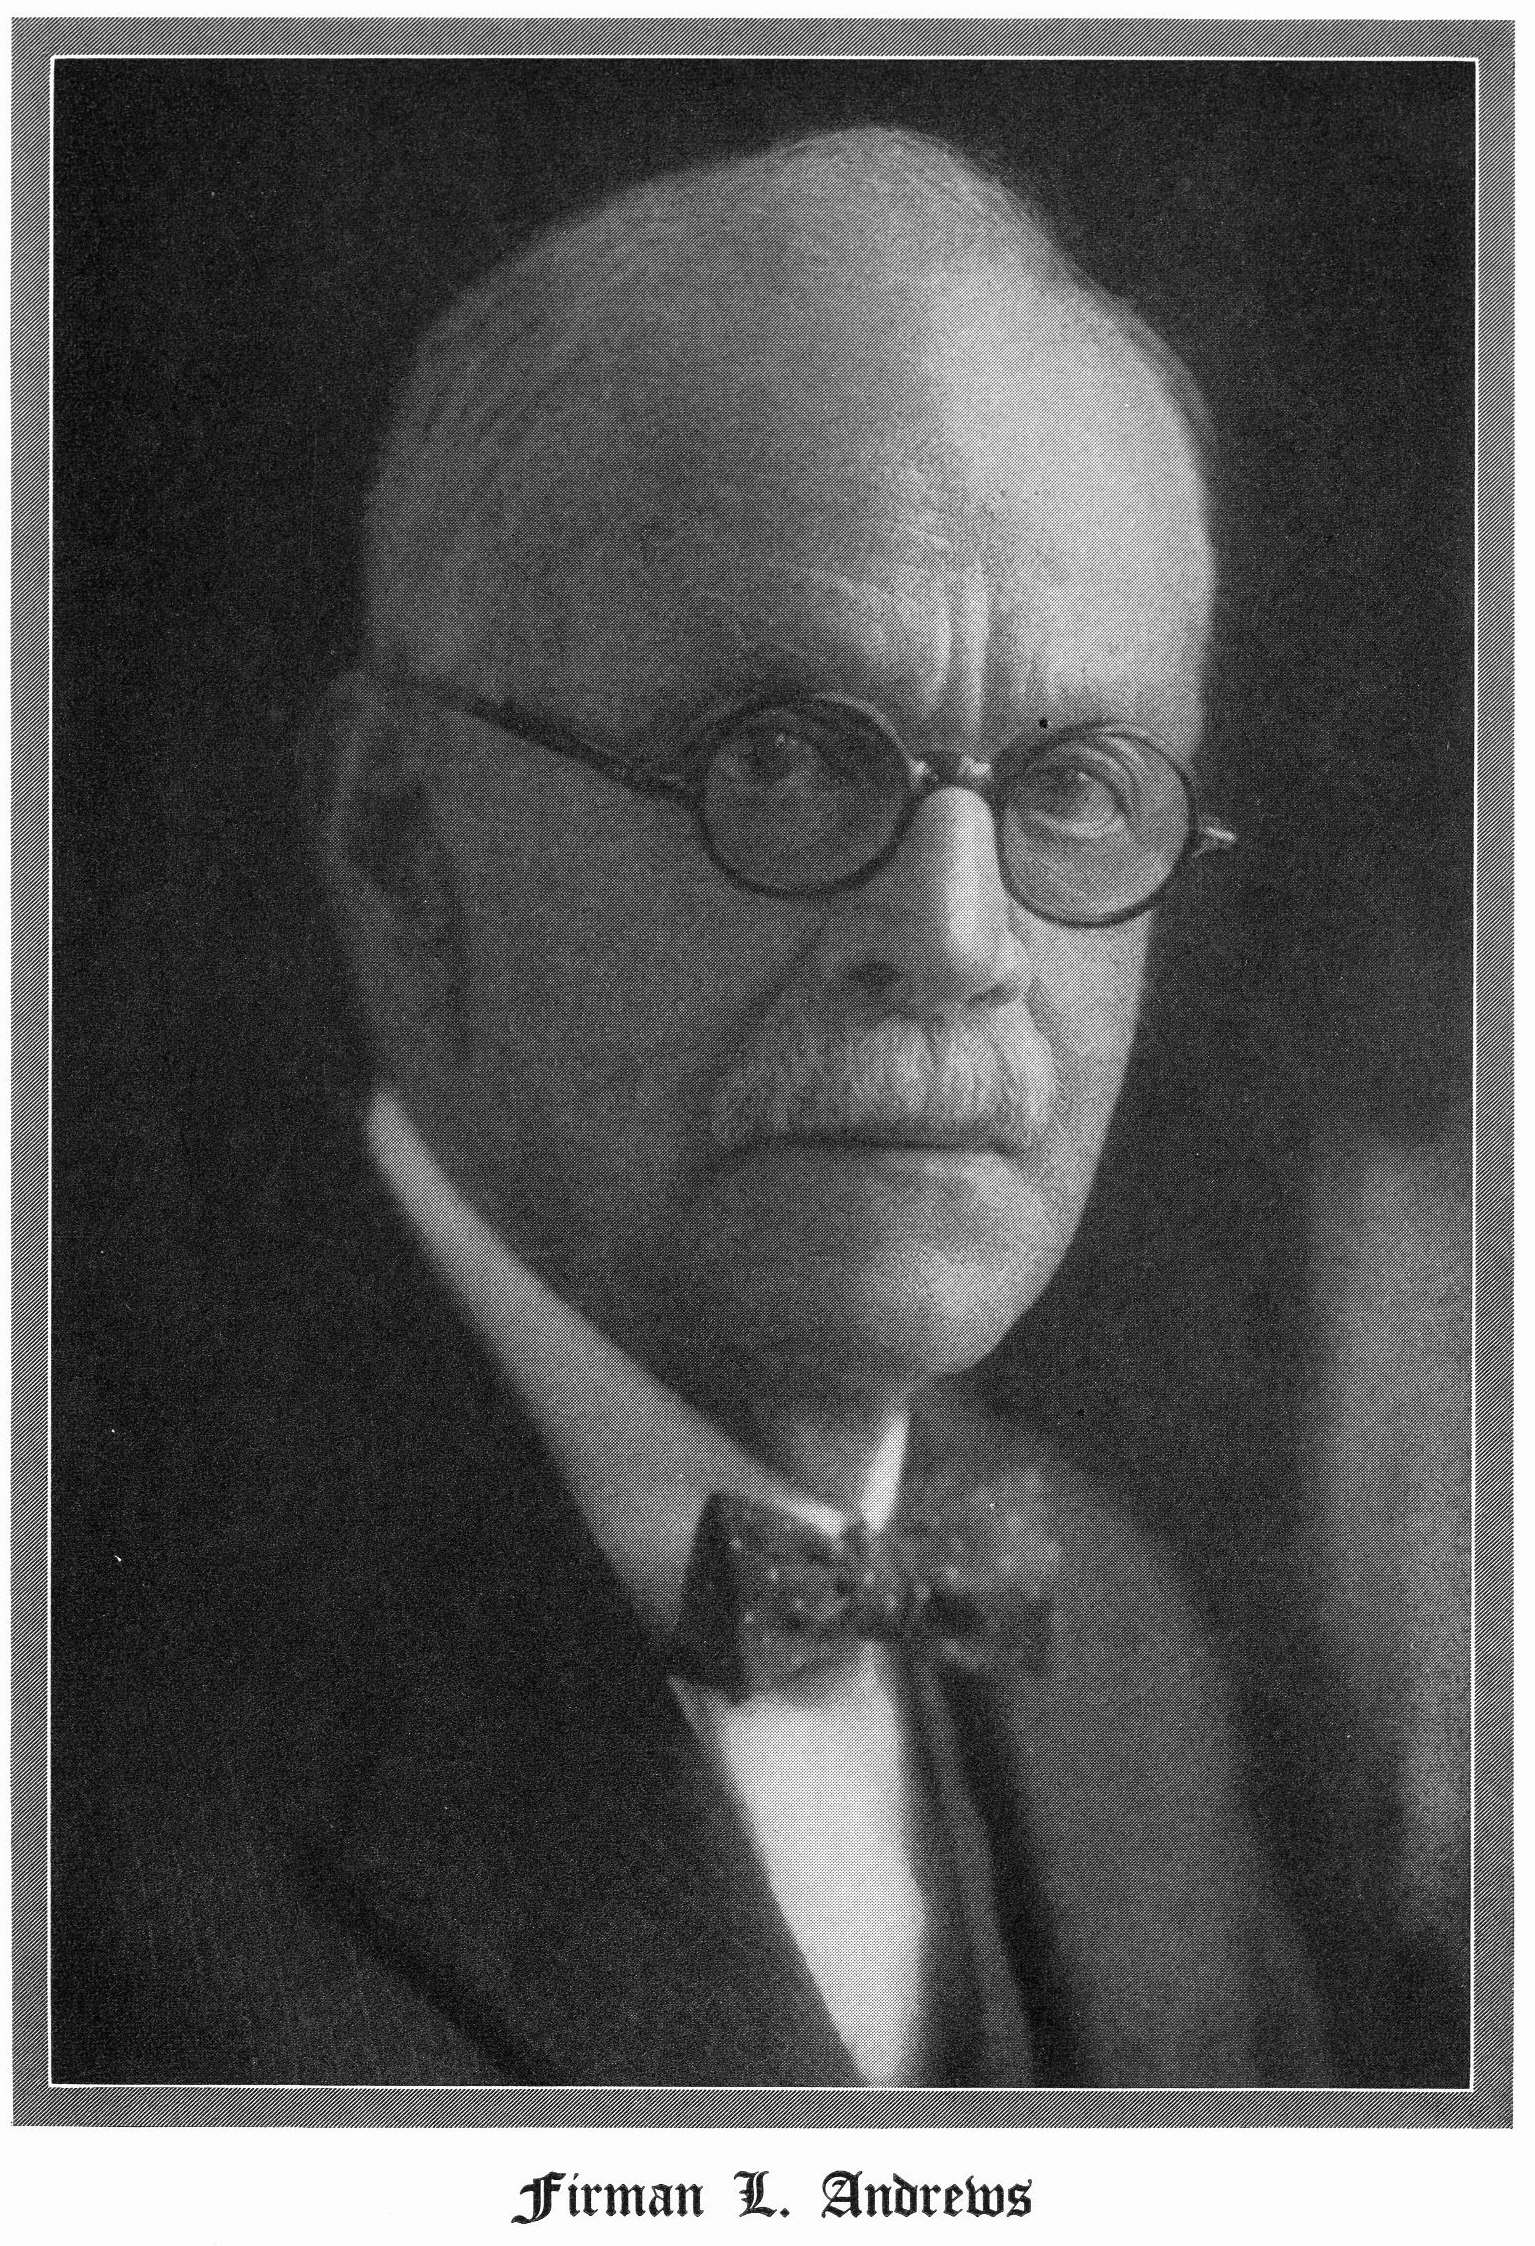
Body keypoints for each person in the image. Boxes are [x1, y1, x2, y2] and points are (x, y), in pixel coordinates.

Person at [52, 126, 1325, 2088]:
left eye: (1075, 783)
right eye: (788, 757)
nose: (957, 940)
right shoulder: (75, 1706)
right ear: (400, 839)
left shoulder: (1114, 1638)